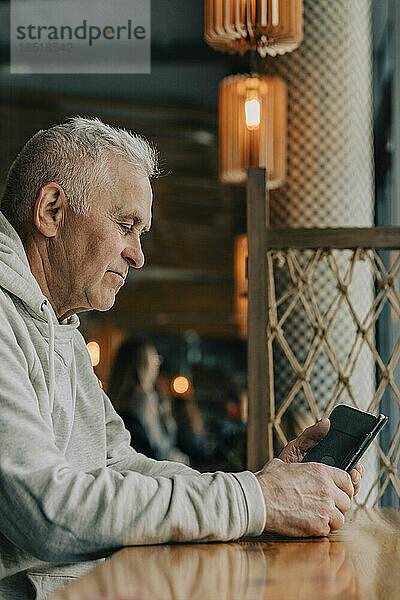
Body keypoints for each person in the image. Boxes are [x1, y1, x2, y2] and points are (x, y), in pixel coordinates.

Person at [0, 117, 364, 599]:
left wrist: (260, 487)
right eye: (126, 226)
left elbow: (119, 464)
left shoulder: (61, 327)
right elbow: (46, 510)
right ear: (51, 210)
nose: (138, 255)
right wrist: (255, 501)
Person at [108, 337, 188, 463]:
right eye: (154, 360)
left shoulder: (116, 399)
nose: (157, 366)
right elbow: (158, 448)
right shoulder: (142, 399)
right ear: (142, 365)